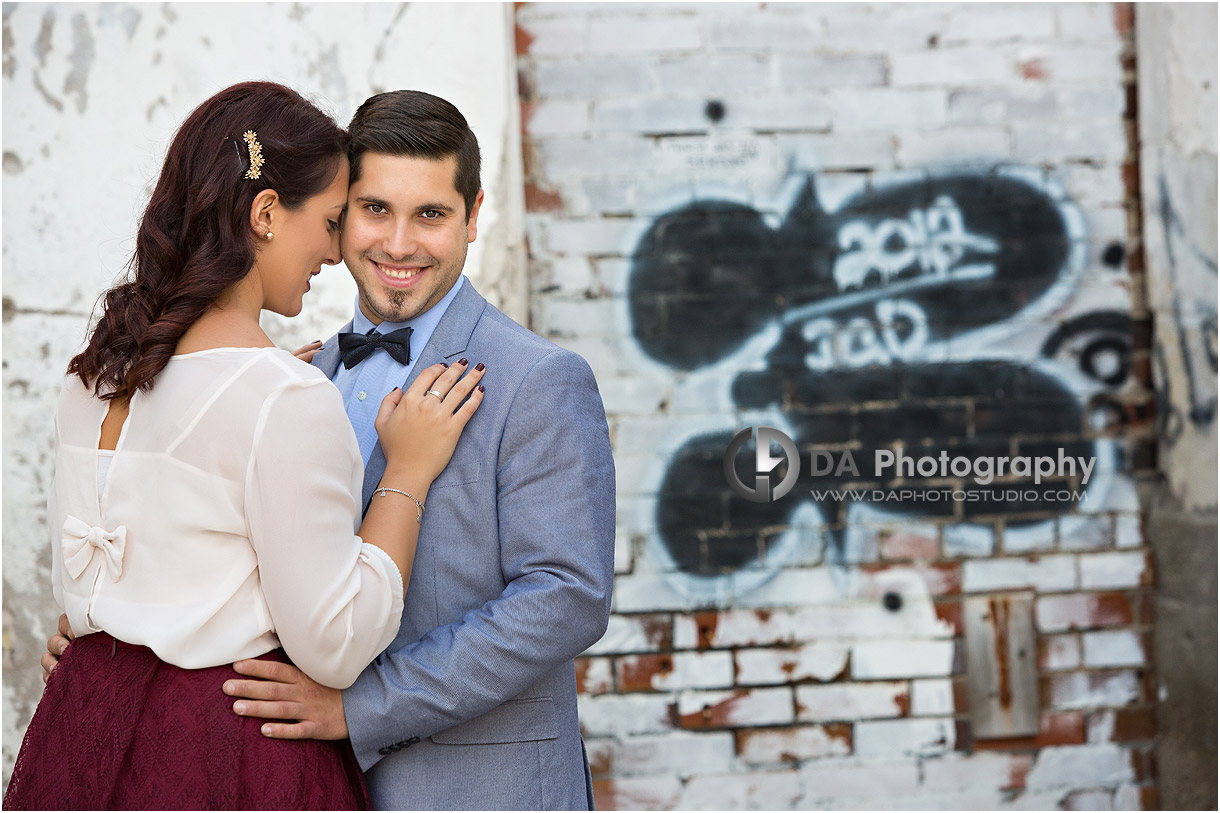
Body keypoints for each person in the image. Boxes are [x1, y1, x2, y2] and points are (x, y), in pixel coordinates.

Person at [10, 81, 485, 810]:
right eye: (330, 221)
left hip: (82, 735)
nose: (334, 250)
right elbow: (334, 642)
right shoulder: (280, 399)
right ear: (265, 214)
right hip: (216, 753)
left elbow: (99, 592)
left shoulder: (93, 375)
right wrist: (409, 476)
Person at [217, 90, 617, 810]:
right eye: (375, 210)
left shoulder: (540, 379)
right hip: (314, 787)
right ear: (338, 218)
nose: (398, 244)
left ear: (473, 215)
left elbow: (566, 596)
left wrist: (363, 707)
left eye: (430, 214)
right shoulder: (302, 381)